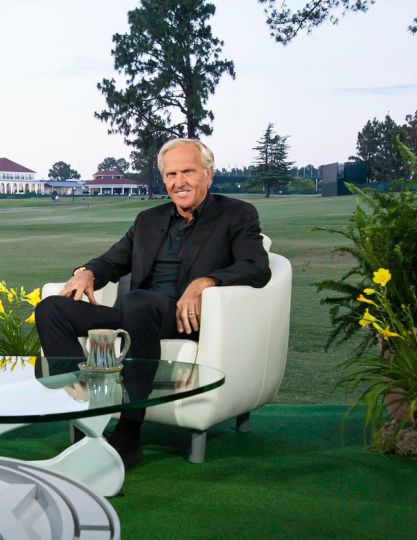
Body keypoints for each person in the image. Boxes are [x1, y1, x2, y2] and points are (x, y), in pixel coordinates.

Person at [35, 138, 271, 467]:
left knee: (139, 302)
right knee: (51, 308)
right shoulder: (148, 219)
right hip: (136, 314)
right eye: (171, 174)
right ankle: (84, 407)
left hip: (184, 318)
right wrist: (86, 272)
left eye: (188, 171)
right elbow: (112, 261)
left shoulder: (236, 214)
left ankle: (130, 432)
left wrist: (206, 281)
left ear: (208, 174)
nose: (179, 182)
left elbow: (256, 267)